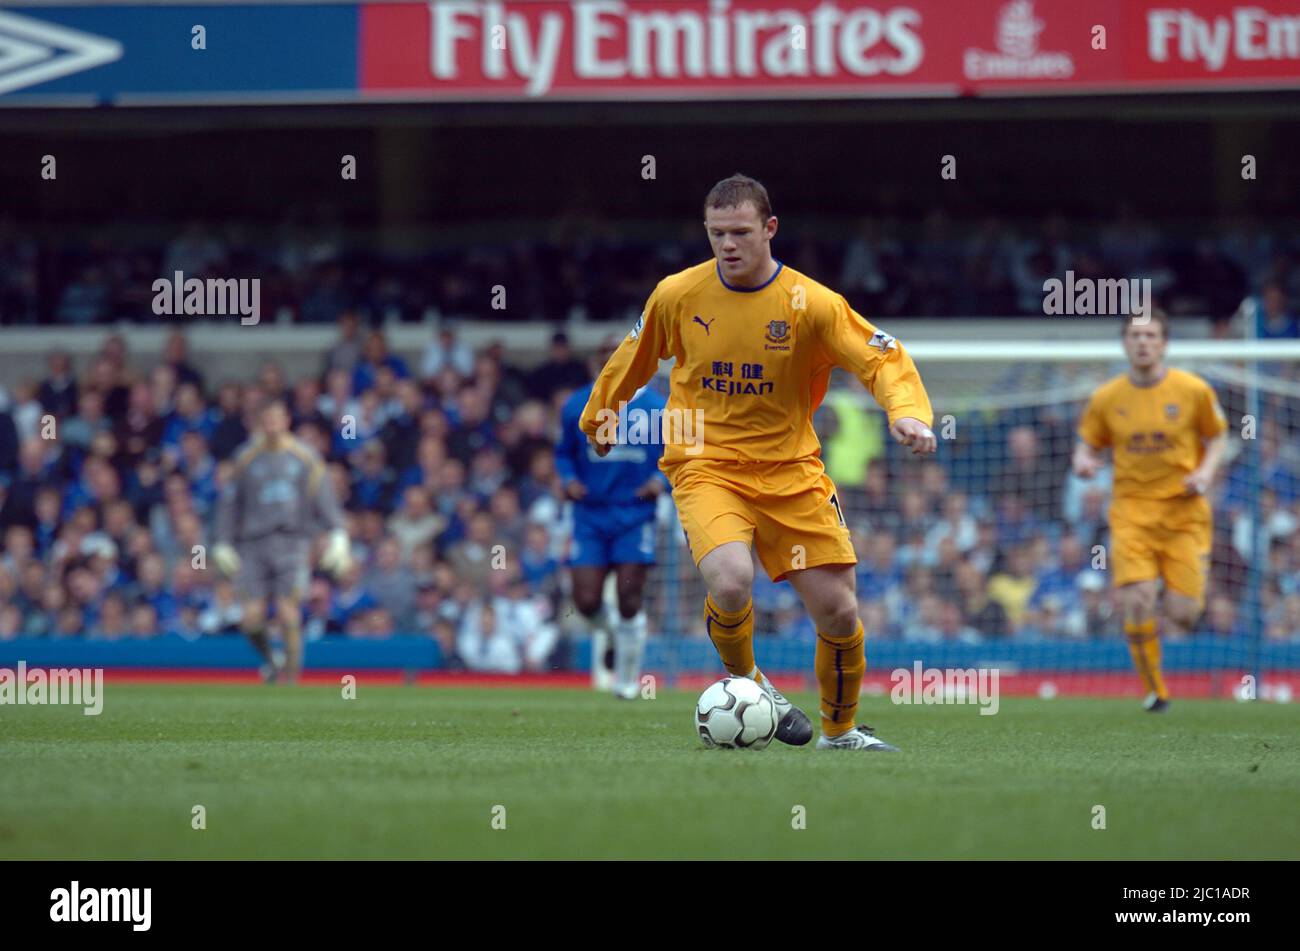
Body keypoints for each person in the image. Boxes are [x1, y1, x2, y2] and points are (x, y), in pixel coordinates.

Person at [579, 174, 936, 751]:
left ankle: (840, 733)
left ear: (769, 229)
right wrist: (601, 417)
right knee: (730, 579)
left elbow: (879, 355)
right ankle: (751, 686)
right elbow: (632, 357)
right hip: (706, 464)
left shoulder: (811, 304)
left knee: (840, 612)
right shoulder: (677, 295)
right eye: (717, 233)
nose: (728, 244)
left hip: (792, 471)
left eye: (741, 232)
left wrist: (907, 411)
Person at [1073, 309, 1228, 711]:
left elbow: (1218, 436)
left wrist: (1206, 473)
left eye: (1151, 335)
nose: (1143, 342)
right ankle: (1156, 691)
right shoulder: (1107, 397)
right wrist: (1083, 461)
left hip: (1184, 514)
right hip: (1131, 513)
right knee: (1138, 599)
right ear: (1125, 343)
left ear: (1164, 343)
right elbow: (1088, 441)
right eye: (1136, 335)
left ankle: (1170, 603)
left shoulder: (1193, 390)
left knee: (1184, 613)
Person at [556, 338, 668, 698]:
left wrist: (660, 481)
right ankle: (618, 636)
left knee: (628, 598)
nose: (609, 367)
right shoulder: (577, 404)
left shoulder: (657, 406)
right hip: (589, 515)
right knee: (586, 601)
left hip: (634, 515)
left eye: (617, 361)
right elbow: (563, 453)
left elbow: (680, 454)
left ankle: (626, 681)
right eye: (603, 361)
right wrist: (569, 480)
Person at [213, 399, 353, 683]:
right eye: (267, 420)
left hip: (293, 542)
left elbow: (324, 498)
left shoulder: (305, 458)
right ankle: (271, 660)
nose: (272, 426)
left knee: (289, 613)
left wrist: (338, 533)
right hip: (253, 545)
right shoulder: (246, 459)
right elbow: (230, 504)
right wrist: (222, 541)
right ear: (260, 423)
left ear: (287, 420)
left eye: (277, 419)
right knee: (250, 619)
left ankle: (291, 678)